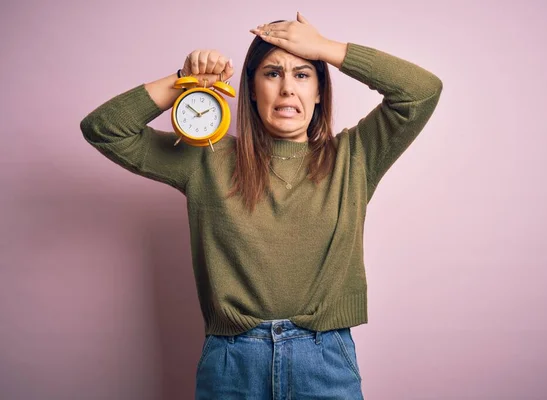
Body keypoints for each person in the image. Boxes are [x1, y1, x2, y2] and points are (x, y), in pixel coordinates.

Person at [80, 12, 442, 400]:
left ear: (320, 90)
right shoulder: (208, 158)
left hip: (325, 360)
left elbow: (421, 91)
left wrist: (324, 48)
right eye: (272, 73)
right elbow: (104, 128)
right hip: (233, 363)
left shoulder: (354, 157)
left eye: (302, 74)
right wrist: (184, 81)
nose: (287, 89)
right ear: (251, 89)